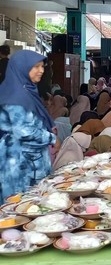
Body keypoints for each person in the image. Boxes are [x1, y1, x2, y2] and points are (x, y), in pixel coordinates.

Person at [0, 50, 58, 201]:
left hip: (30, 161)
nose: (41, 70)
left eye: (42, 66)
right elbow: (24, 131)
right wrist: (51, 137)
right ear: (22, 68)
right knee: (18, 209)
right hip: (20, 166)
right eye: (36, 67)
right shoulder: (15, 96)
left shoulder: (25, 91)